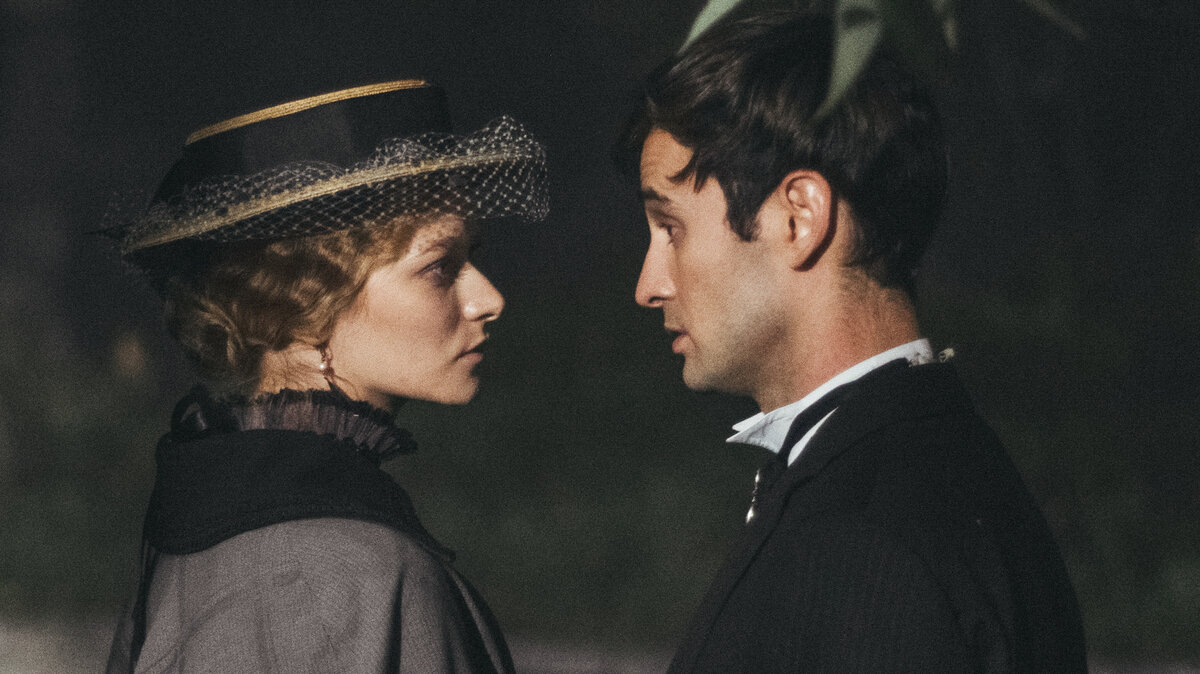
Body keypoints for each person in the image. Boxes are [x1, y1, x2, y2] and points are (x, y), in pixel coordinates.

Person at [617, 12, 1087, 673]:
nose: (648, 286)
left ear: (799, 217)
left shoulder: (869, 540)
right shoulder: (940, 475)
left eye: (671, 228)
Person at [103, 79, 547, 673]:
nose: (489, 298)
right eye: (440, 267)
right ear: (305, 306)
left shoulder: (215, 512)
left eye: (474, 257)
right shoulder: (328, 573)